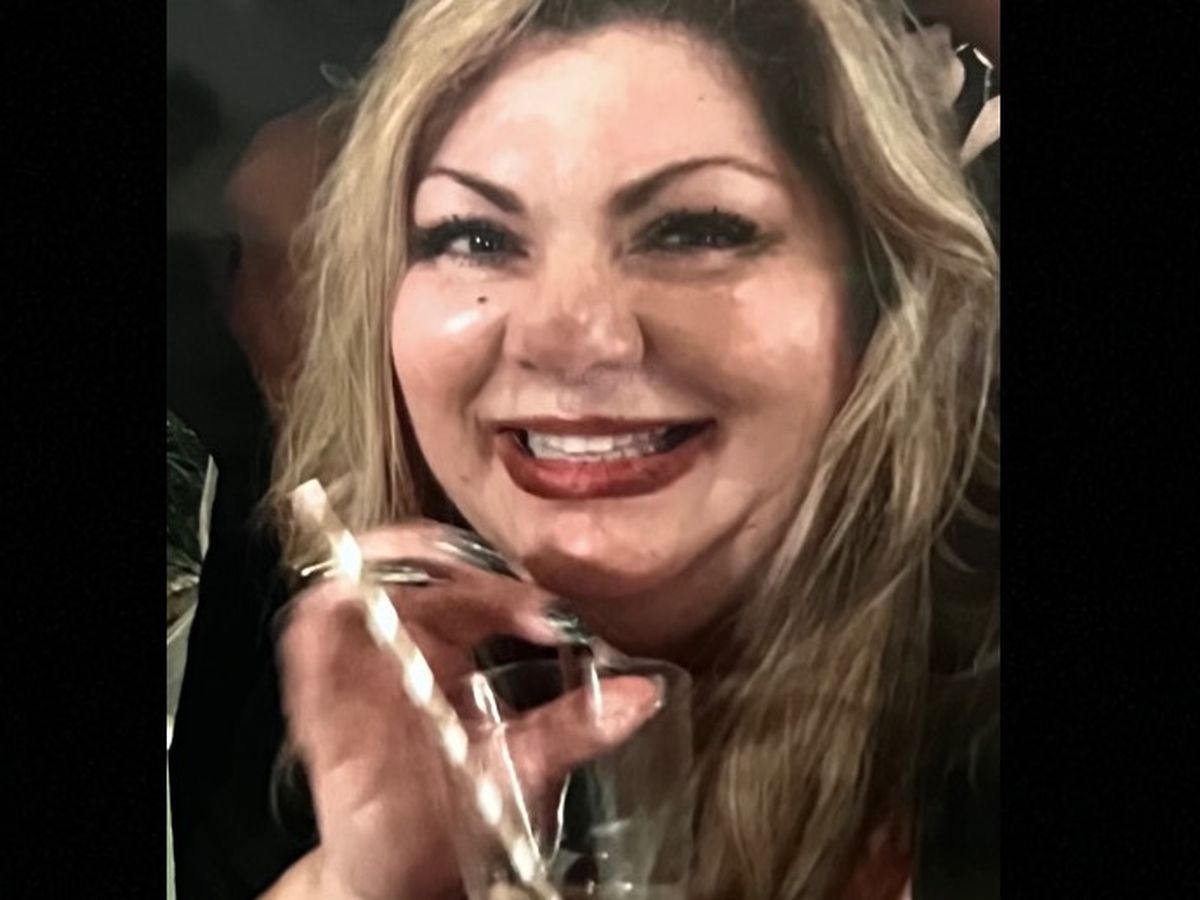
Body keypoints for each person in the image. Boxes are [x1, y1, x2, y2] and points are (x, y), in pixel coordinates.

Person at [176, 1, 1000, 898]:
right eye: (475, 237)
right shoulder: (340, 705)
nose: (568, 335)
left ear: (879, 304)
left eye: (697, 230)